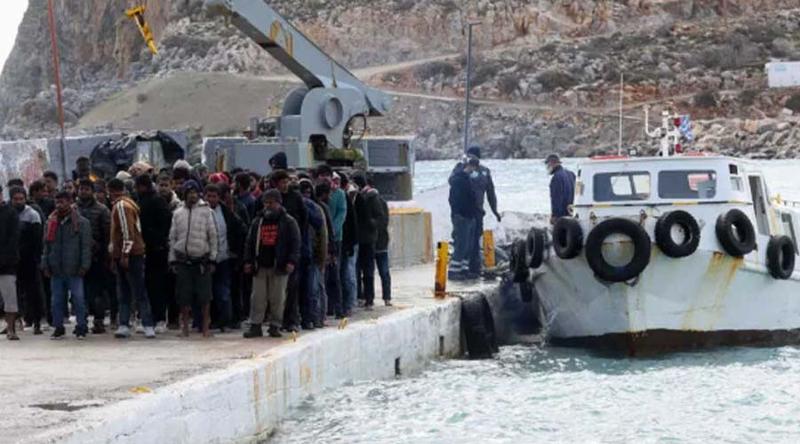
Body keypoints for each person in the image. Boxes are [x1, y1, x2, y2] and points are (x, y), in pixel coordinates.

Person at [242, 189, 301, 339]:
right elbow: (249, 242)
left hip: (279, 266)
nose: (268, 206)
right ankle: (255, 325)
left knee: (278, 298)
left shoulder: (288, 222)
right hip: (260, 265)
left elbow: (295, 244)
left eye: (271, 202)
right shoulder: (258, 221)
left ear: (279, 203)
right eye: (265, 203)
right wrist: (248, 261)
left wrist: (291, 261)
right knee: (257, 298)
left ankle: (275, 325)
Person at [168, 180, 218, 338]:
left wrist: (212, 258)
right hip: (182, 260)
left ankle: (205, 329)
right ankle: (185, 329)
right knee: (183, 296)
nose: (192, 195)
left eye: (195, 192)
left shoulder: (206, 211)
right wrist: (172, 259)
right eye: (189, 192)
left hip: (202, 260)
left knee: (205, 297)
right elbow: (173, 237)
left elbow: (213, 236)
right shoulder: (178, 213)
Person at [108, 178, 156, 339]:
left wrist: (125, 254)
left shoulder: (121, 206)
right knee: (132, 290)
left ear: (112, 191)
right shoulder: (130, 204)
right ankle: (133, 323)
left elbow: (127, 231)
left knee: (131, 290)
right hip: (131, 252)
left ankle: (139, 324)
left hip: (130, 254)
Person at [42, 191, 92, 340]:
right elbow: (46, 246)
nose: (59, 205)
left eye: (63, 202)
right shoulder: (50, 222)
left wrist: (84, 265)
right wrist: (45, 264)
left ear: (70, 202)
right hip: (56, 268)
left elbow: (85, 246)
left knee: (78, 299)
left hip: (75, 268)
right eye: (57, 202)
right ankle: (58, 327)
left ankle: (81, 327)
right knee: (56, 300)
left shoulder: (82, 223)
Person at [136, 174, 173, 334]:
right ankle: (147, 318)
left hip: (156, 250)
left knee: (157, 286)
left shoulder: (157, 201)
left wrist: (157, 240)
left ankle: (160, 318)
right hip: (144, 249)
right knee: (146, 286)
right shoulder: (140, 201)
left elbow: (165, 224)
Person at [205, 183, 246, 332]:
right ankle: (210, 321)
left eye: (214, 196)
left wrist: (236, 251)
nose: (211, 199)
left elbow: (240, 229)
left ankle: (225, 321)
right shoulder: (200, 212)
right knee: (208, 293)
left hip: (224, 258)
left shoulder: (226, 212)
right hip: (205, 258)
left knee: (223, 292)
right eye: (208, 196)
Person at [271, 170, 307, 332]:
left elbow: (304, 220)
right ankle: (276, 320)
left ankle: (291, 320)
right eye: (282, 182)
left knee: (292, 287)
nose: (285, 185)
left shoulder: (296, 198)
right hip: (273, 248)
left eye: (286, 182)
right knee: (276, 289)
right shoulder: (270, 199)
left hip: (291, 246)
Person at [459, 145, 501, 277]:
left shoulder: (485, 172)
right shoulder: (462, 169)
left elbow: (491, 193)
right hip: (464, 212)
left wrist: (495, 211)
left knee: (475, 240)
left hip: (477, 212)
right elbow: (454, 186)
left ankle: (474, 267)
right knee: (464, 240)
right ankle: (462, 268)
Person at [76, 179, 111, 334]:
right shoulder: (73, 209)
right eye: (81, 189)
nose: (83, 192)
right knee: (79, 292)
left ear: (92, 191)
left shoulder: (102, 210)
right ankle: (81, 322)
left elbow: (108, 234)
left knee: (96, 292)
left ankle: (98, 321)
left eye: (86, 189)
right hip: (77, 258)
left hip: (97, 257)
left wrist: (103, 251)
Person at [9, 187, 45, 335]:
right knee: (12, 293)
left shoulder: (33, 215)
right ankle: (14, 322)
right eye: (15, 199)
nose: (18, 202)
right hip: (11, 261)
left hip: (29, 260)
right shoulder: (8, 214)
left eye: (21, 199)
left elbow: (37, 240)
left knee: (33, 292)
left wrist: (37, 259)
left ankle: (37, 322)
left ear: (25, 198)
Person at [353, 174, 383, 309]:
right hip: (358, 238)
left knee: (367, 270)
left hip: (367, 239)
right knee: (357, 270)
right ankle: (360, 296)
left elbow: (379, 217)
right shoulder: (357, 197)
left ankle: (368, 298)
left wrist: (370, 223)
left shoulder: (371, 197)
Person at [448, 157, 479, 280]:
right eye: (473, 167)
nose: (474, 170)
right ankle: (454, 271)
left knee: (468, 245)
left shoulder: (467, 179)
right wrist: (458, 213)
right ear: (469, 166)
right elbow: (454, 200)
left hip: (470, 216)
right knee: (461, 244)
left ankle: (464, 269)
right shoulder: (459, 180)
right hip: (462, 217)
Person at [0, 185, 21, 340]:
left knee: (10, 297)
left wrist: (5, 259)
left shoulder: (10, 213)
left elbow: (13, 240)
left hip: (7, 264)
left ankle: (11, 329)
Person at [545, 153, 576, 224]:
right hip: (572, 213)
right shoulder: (571, 174)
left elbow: (556, 198)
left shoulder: (556, 178)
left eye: (547, 164)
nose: (547, 167)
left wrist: (554, 216)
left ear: (551, 163)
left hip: (562, 216)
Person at [374, 191, 392, 306]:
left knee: (368, 273)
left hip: (375, 243)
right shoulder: (382, 202)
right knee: (384, 272)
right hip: (382, 242)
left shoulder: (367, 201)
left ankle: (368, 298)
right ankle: (387, 297)